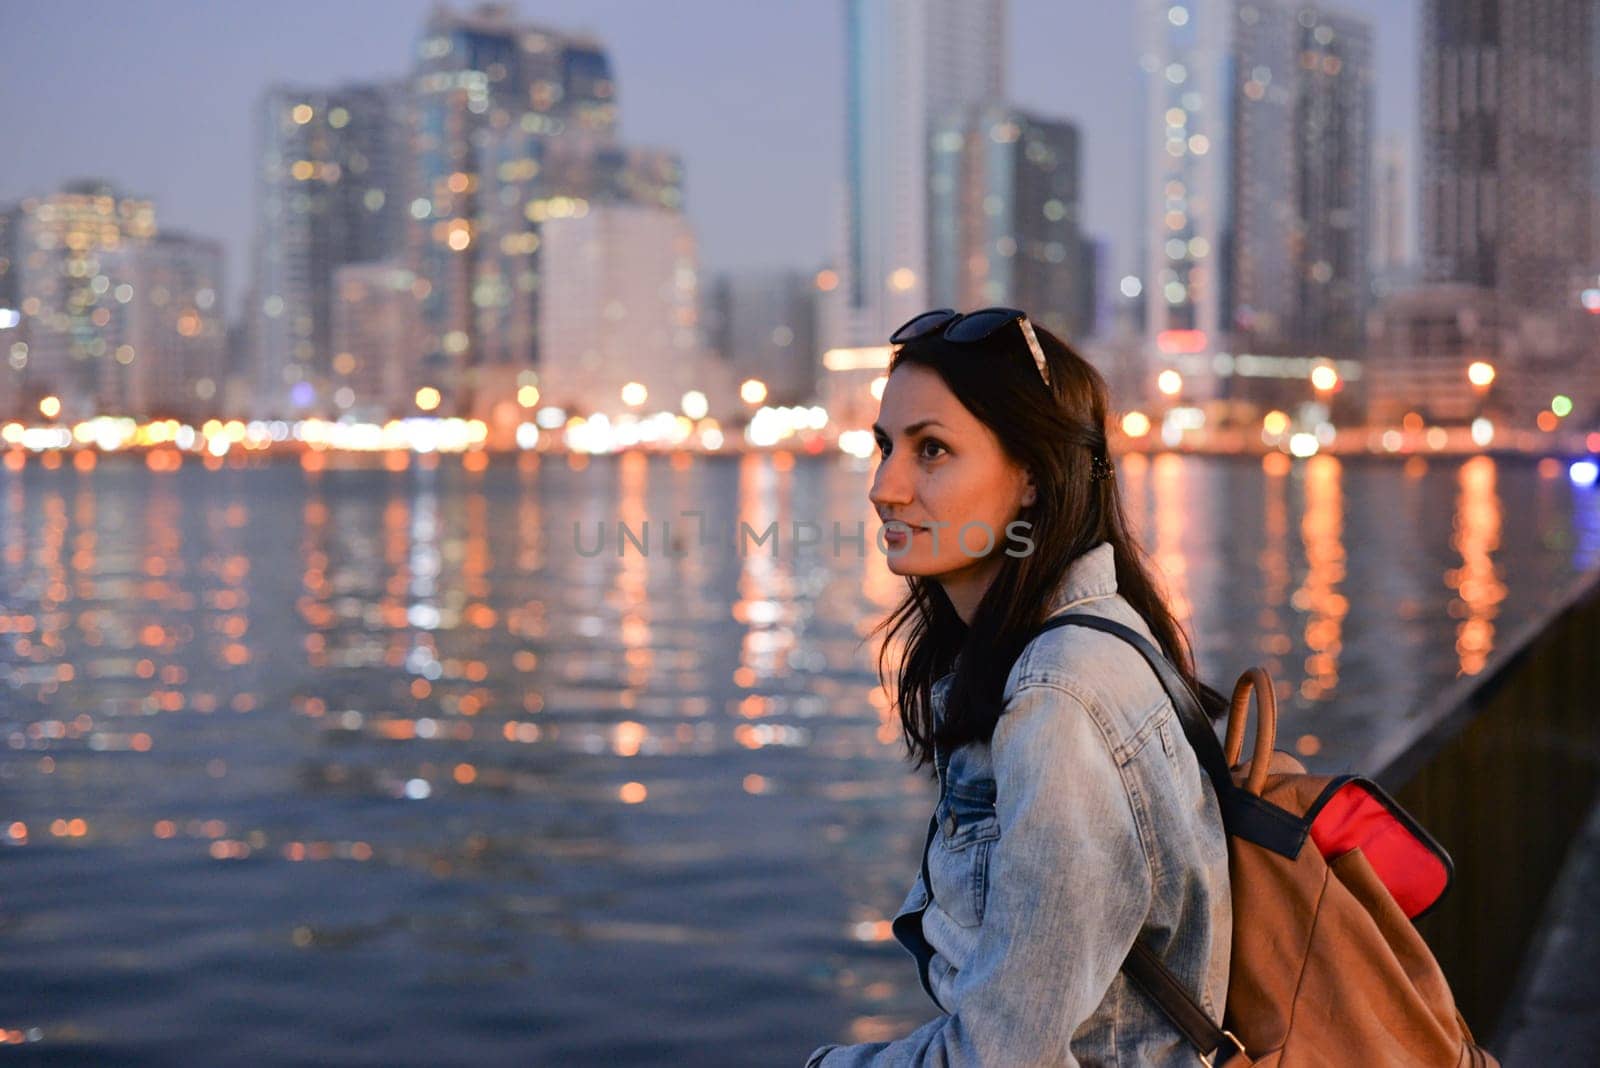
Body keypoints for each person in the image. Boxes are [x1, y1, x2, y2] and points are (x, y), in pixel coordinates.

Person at [805, 309, 1232, 1066]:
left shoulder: (1059, 700)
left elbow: (1003, 1057)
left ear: (1032, 478)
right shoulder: (1089, 637)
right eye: (884, 446)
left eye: (931, 450)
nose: (884, 487)